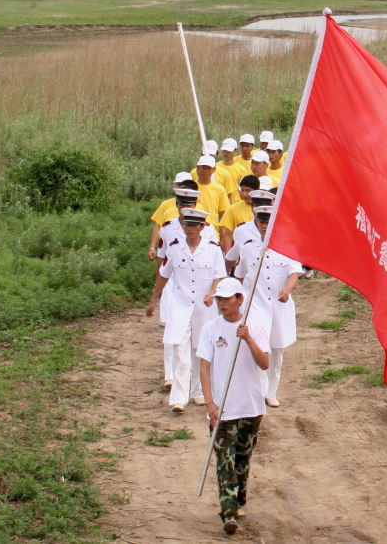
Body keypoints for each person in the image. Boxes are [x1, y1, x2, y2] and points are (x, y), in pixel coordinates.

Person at [197, 276, 270, 535]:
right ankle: (227, 512)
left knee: (242, 460)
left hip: (251, 407)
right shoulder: (210, 329)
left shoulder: (256, 328)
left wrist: (248, 339)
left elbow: (264, 364)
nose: (222, 303)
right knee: (223, 461)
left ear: (240, 300)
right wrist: (210, 402)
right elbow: (205, 368)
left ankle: (238, 500)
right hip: (223, 409)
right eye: (218, 299)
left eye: (227, 299)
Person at [147, 208, 226, 413]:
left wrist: (213, 292)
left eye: (194, 225)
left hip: (204, 308)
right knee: (180, 351)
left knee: (200, 351)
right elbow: (164, 276)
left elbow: (219, 275)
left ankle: (198, 392)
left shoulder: (213, 249)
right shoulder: (175, 248)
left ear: (202, 227)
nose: (189, 229)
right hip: (180, 306)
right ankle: (179, 398)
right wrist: (153, 300)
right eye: (186, 225)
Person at [235, 204, 302, 408]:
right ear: (257, 222)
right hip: (255, 304)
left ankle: (271, 391)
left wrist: (287, 290)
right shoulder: (248, 247)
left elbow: (294, 274)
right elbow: (239, 275)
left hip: (279, 307)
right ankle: (257, 390)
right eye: (262, 221)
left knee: (277, 349)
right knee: (257, 346)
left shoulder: (288, 245)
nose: (265, 226)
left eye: (269, 222)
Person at [149, 172, 197, 260]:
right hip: (170, 245)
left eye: (185, 185)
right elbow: (158, 226)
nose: (181, 187)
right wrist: (152, 247)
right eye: (179, 184)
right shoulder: (165, 205)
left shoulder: (198, 207)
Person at [219, 175, 260, 255]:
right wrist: (228, 257)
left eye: (248, 191)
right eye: (242, 190)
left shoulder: (263, 209)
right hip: (240, 257)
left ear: (257, 190)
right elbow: (227, 235)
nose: (244, 194)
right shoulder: (232, 209)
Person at [192, 155, 231, 225]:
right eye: (203, 167)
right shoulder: (191, 188)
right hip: (193, 228)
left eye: (209, 168)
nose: (206, 171)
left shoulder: (219, 189)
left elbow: (223, 213)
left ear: (214, 169)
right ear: (197, 168)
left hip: (212, 230)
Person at [218, 139, 248, 205]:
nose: (226, 153)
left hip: (236, 203)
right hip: (219, 203)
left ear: (235, 151)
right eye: (224, 151)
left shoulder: (241, 170)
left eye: (229, 151)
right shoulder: (215, 167)